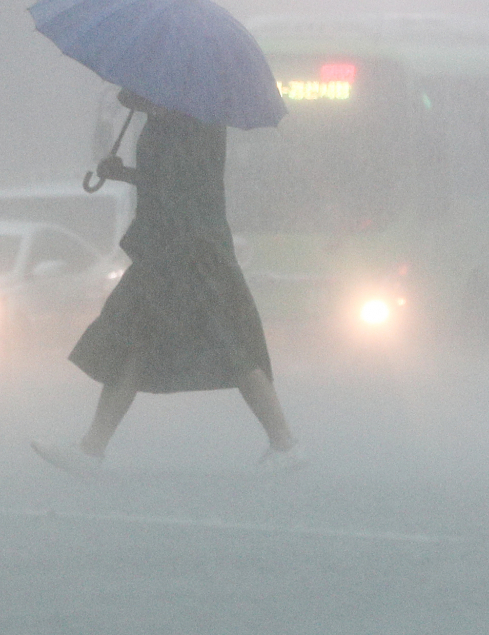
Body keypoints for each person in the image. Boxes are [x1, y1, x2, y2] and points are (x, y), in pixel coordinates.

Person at [32, 89, 299, 474]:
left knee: (224, 344)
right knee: (139, 345)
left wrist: (126, 173)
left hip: (187, 251)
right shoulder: (181, 118)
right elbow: (170, 181)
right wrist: (123, 172)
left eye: (136, 85)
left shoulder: (189, 122)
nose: (127, 92)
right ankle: (91, 449)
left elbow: (179, 184)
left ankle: (285, 443)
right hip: (175, 248)